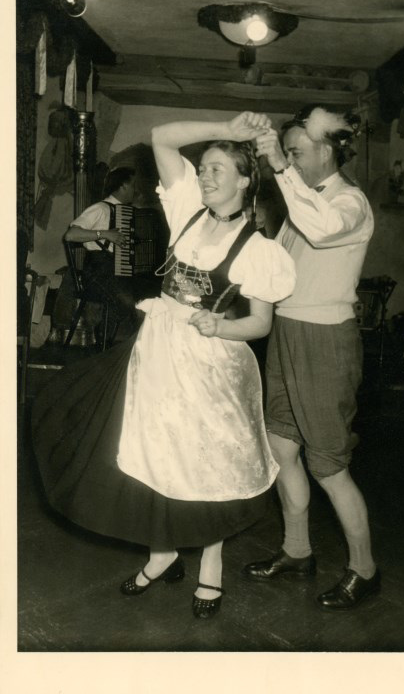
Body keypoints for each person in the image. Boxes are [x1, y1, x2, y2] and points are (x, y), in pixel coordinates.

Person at [32, 112, 295, 620]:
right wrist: (230, 129)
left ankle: (211, 564)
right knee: (150, 455)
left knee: (206, 466)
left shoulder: (260, 250)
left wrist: (223, 327)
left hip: (214, 367)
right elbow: (161, 138)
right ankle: (162, 551)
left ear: (245, 180)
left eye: (219, 169)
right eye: (204, 168)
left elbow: (260, 322)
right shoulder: (187, 212)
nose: (206, 176)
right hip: (156, 354)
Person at [243, 104, 380, 610]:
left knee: (329, 466)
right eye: (290, 154)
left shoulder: (350, 203)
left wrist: (278, 165)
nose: (292, 162)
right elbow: (278, 264)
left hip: (326, 340)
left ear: (328, 149)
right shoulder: (301, 202)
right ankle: (297, 550)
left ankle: (365, 569)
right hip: (286, 331)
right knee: (282, 449)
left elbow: (321, 229)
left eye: (298, 152)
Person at [64, 166, 140, 342]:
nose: (135, 191)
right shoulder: (100, 208)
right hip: (98, 271)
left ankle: (117, 344)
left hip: (117, 272)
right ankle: (107, 341)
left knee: (144, 296)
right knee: (127, 299)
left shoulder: (127, 212)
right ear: (122, 186)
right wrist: (104, 234)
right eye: (133, 185)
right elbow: (71, 235)